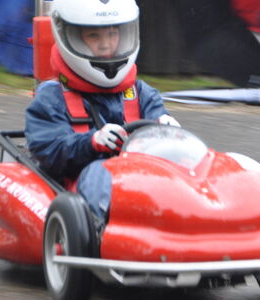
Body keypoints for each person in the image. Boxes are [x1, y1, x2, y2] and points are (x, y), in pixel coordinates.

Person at [25, 0, 180, 222]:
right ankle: (100, 231)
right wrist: (92, 142)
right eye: (94, 36)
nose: (106, 45)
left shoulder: (141, 92)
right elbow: (49, 151)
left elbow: (157, 125)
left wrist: (167, 129)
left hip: (138, 180)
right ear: (72, 38)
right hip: (77, 186)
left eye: (112, 34)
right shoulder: (52, 97)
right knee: (100, 170)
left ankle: (189, 218)